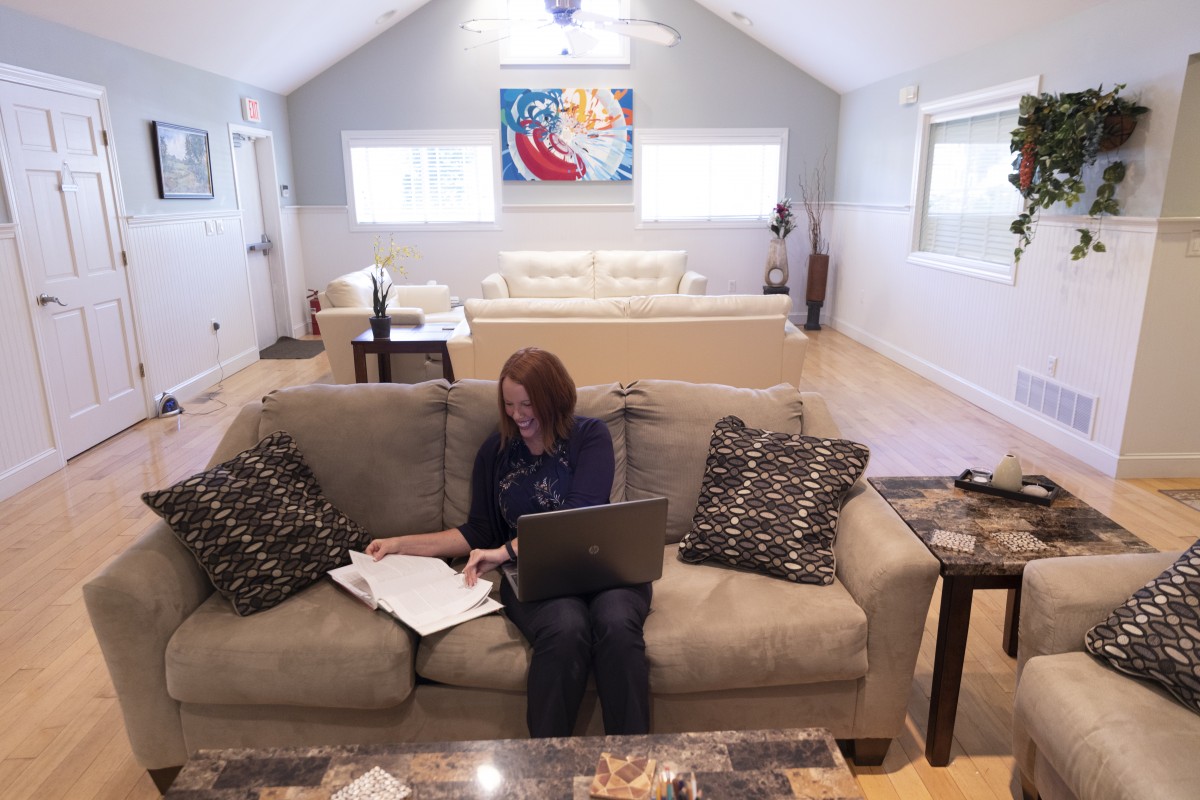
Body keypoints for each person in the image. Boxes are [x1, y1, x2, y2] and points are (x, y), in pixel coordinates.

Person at [366, 347, 652, 738]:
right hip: (537, 576)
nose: (517, 415)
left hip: (606, 568)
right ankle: (546, 763)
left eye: (528, 404)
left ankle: (632, 766)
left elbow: (577, 512)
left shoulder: (590, 436)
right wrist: (400, 543)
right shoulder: (495, 452)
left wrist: (504, 552)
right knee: (566, 628)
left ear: (555, 398)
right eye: (509, 404)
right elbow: (477, 532)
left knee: (616, 624)